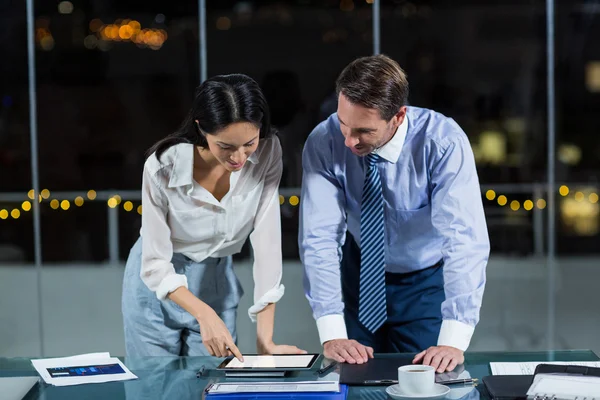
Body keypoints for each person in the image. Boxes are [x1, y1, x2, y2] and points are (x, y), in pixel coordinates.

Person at [299, 55, 489, 372]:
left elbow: (464, 240)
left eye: (363, 131)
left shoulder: (442, 143)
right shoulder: (325, 140)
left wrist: (454, 338)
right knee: (354, 379)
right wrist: (331, 332)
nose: (348, 140)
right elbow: (319, 237)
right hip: (358, 276)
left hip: (424, 282)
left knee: (422, 383)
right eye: (343, 123)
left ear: (398, 116)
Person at [122, 74, 304, 359]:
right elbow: (155, 263)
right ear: (201, 129)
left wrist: (265, 339)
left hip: (216, 279)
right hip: (157, 284)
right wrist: (204, 314)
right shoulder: (161, 167)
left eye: (249, 143)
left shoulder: (269, 152)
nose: (239, 157)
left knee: (216, 386)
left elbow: (267, 245)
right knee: (155, 389)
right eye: (226, 146)